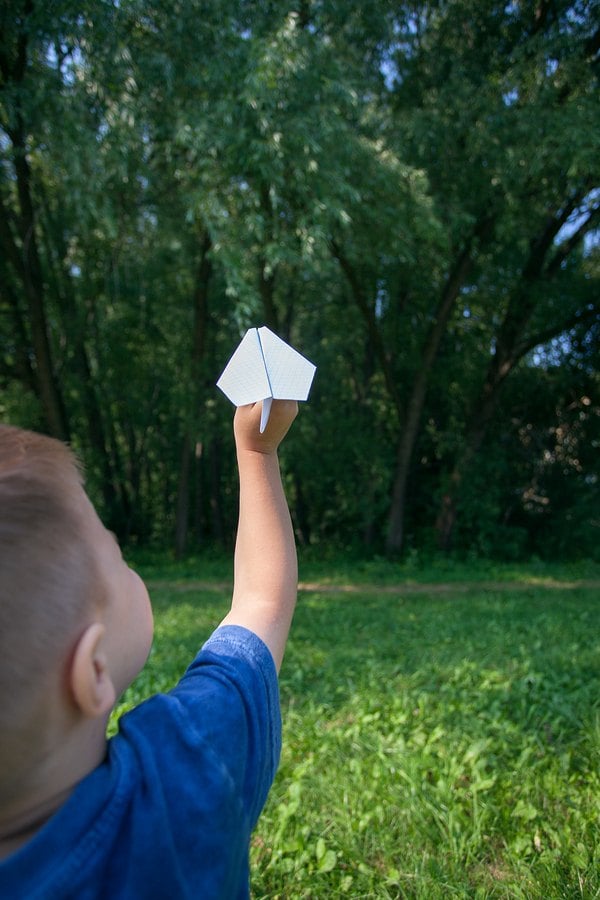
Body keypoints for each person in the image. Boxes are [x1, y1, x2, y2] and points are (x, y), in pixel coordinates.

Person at [0, 398, 299, 898]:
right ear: (91, 672)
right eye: (115, 551)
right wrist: (257, 450)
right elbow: (262, 602)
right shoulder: (182, 769)